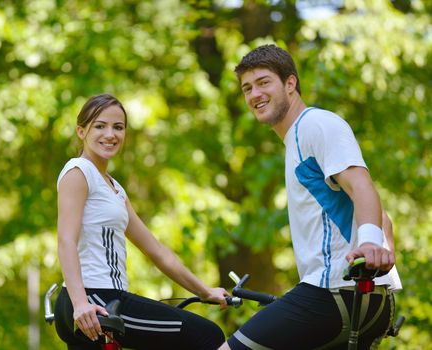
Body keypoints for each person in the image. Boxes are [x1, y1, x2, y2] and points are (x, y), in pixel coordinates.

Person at [219, 45, 402, 350]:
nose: (254, 94)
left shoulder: (314, 125)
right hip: (368, 300)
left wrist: (369, 243)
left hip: (332, 293)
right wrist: (381, 259)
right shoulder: (296, 141)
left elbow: (361, 185)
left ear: (290, 84)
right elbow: (384, 218)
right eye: (247, 88)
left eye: (264, 82)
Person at [54, 93, 228, 350]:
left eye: (118, 127)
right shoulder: (79, 172)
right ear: (81, 131)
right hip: (95, 299)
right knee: (207, 336)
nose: (110, 134)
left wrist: (205, 291)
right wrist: (80, 303)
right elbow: (66, 239)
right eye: (100, 126)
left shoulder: (114, 189)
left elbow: (156, 251)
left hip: (97, 301)